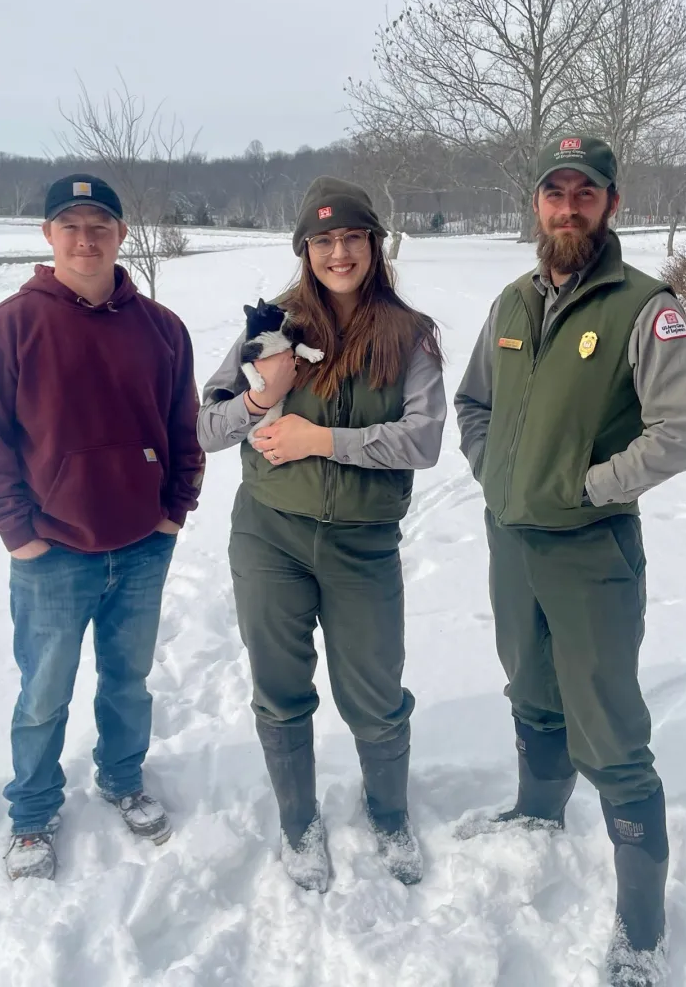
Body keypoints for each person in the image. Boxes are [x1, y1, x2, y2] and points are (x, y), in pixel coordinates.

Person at [455, 136, 686, 984]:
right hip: (511, 542)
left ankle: (641, 929)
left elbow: (681, 432)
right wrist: (495, 472)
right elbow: (473, 401)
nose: (569, 208)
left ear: (612, 204)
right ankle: (537, 814)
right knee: (528, 684)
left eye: (586, 194)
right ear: (536, 204)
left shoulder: (644, 307)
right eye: (555, 193)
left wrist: (590, 486)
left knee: (609, 727)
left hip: (591, 551)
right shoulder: (512, 303)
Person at [198, 177, 445, 891]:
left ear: (374, 244)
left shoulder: (410, 334)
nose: (340, 252)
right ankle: (299, 823)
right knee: (279, 688)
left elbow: (422, 440)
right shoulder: (270, 326)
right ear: (305, 249)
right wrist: (261, 395)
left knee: (375, 692)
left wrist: (319, 440)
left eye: (353, 238)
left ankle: (389, 814)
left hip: (363, 545)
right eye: (324, 240)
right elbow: (204, 428)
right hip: (269, 538)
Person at [0, 174, 203, 881]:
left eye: (100, 224)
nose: (86, 238)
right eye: (70, 224)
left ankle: (122, 779)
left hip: (141, 546)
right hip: (51, 554)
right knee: (44, 694)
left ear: (123, 235)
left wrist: (172, 511)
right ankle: (32, 814)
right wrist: (18, 534)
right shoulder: (10, 326)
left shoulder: (161, 328)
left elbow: (185, 428)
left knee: (128, 680)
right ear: (48, 236)